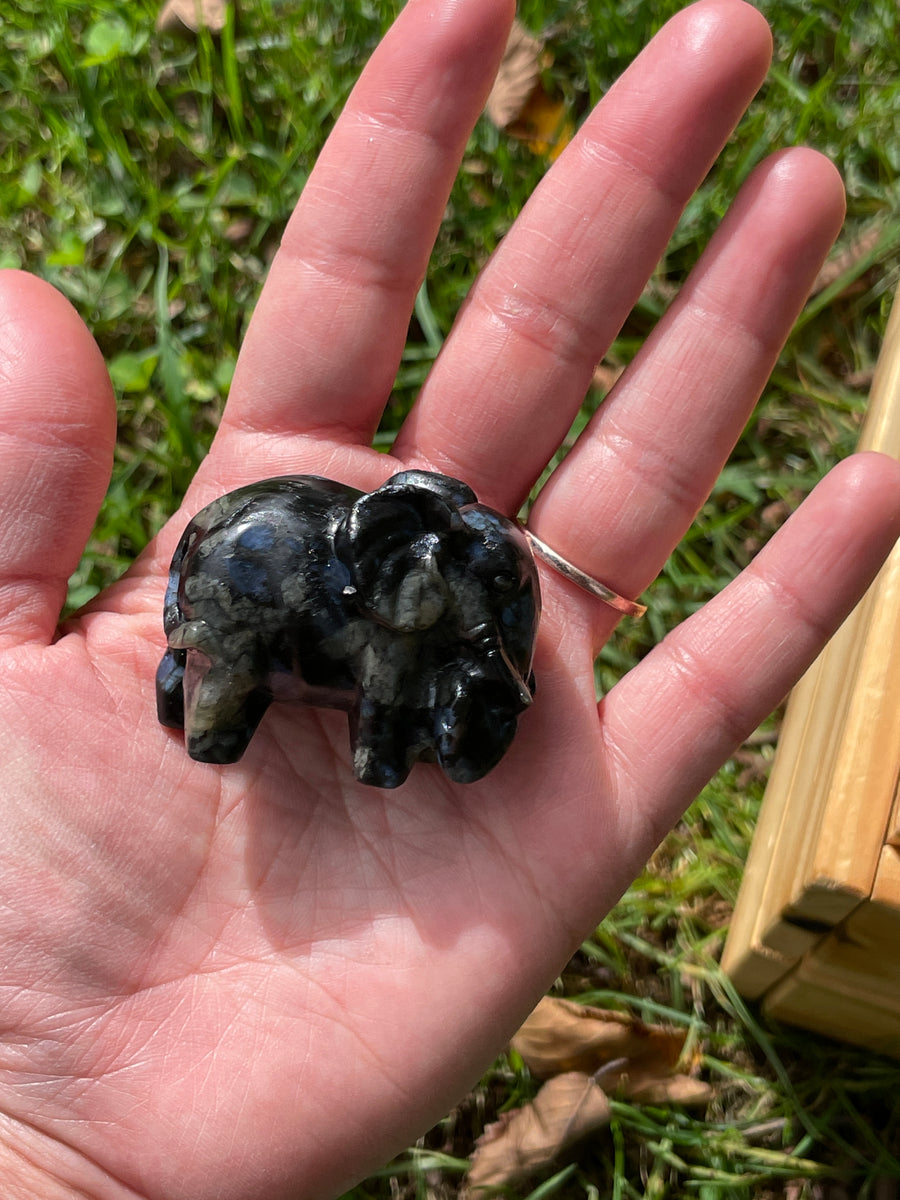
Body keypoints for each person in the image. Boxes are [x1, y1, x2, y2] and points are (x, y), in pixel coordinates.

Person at [1, 0, 898, 1196]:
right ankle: (214, 708)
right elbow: (394, 684)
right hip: (258, 577)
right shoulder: (384, 591)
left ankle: (221, 703)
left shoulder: (433, 588)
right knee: (257, 677)